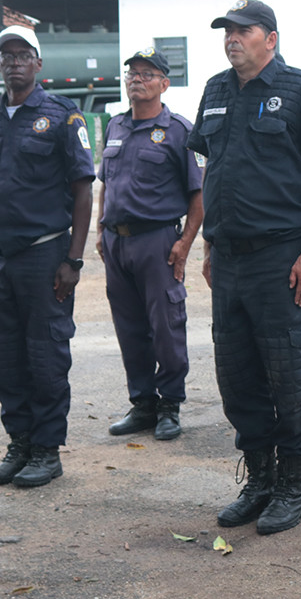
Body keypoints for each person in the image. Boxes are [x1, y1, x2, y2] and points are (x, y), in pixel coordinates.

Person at [190, 0, 301, 535]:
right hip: (229, 261)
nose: (233, 38)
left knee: (285, 374)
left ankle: (292, 486)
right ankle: (258, 479)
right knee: (237, 377)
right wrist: (209, 246)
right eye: (227, 31)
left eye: (244, 30)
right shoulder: (214, 91)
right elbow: (215, 171)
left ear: (271, 39)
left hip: (281, 260)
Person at [0, 25, 95, 489]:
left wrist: (73, 260)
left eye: (24, 55)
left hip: (45, 257)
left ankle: (46, 450)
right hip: (0, 259)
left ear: (38, 64)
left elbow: (83, 191)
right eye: (6, 55)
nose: (15, 62)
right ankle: (18, 442)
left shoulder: (62, 116)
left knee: (45, 355)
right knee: (6, 355)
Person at [97, 47, 203, 442]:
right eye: (132, 73)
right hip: (116, 241)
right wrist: (99, 231)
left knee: (165, 325)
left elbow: (198, 194)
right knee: (129, 326)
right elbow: (104, 184)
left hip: (157, 241)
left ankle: (169, 405)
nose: (137, 79)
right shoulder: (115, 126)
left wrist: (185, 243)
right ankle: (142, 403)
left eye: (147, 73)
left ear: (164, 83)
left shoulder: (178, 130)